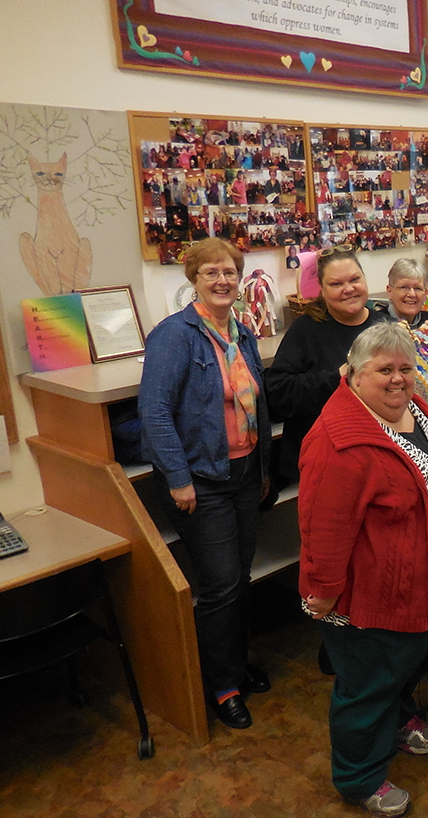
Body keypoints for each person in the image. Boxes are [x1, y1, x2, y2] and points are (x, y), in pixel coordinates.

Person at [298, 323, 428, 818]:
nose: (398, 379)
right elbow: (323, 525)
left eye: (406, 368)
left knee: (405, 666)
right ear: (353, 375)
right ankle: (360, 779)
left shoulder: (412, 409)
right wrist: (324, 590)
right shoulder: (341, 440)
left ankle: (398, 721)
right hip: (376, 594)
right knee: (368, 684)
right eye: (385, 370)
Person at [138, 237, 272, 731]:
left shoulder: (241, 331)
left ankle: (232, 664)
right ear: (193, 279)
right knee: (219, 586)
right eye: (211, 272)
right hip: (201, 479)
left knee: (239, 576)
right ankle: (222, 686)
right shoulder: (175, 335)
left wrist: (261, 472)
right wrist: (177, 478)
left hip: (243, 472)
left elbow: (257, 405)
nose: (222, 281)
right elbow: (153, 412)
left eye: (230, 272)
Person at [266, 245, 387, 485]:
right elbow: (277, 393)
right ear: (321, 289)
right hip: (325, 465)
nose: (349, 289)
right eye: (336, 284)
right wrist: (337, 378)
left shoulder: (385, 327)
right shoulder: (306, 330)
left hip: (379, 460)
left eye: (355, 279)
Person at [374, 258, 428, 328]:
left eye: (417, 288)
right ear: (389, 291)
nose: (412, 294)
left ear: (425, 293)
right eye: (403, 287)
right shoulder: (376, 326)